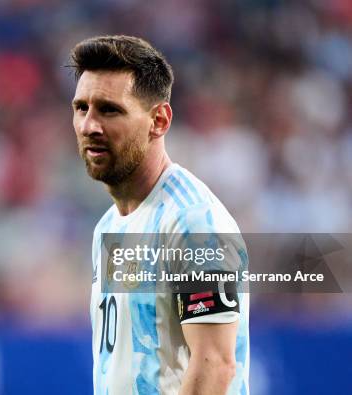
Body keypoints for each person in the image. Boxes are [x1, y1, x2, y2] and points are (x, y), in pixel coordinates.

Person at [70, 35, 249, 395]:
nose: (89, 125)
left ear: (159, 121)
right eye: (81, 108)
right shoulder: (109, 225)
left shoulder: (193, 224)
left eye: (109, 110)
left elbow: (215, 365)